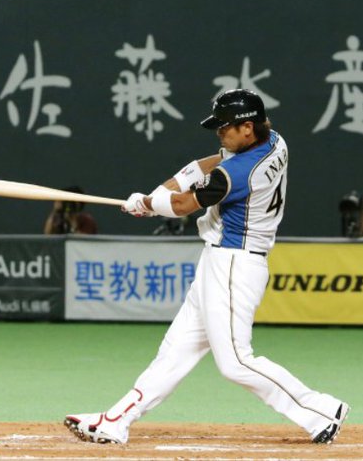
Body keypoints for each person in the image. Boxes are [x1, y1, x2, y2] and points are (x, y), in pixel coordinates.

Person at [64, 89, 348, 445]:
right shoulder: (273, 140)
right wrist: (155, 196)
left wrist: (149, 204)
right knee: (175, 350)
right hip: (220, 261)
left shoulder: (242, 172)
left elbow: (183, 206)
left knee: (235, 362)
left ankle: (321, 410)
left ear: (247, 127)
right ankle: (117, 420)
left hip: (234, 264)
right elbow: (209, 163)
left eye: (226, 127)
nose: (220, 133)